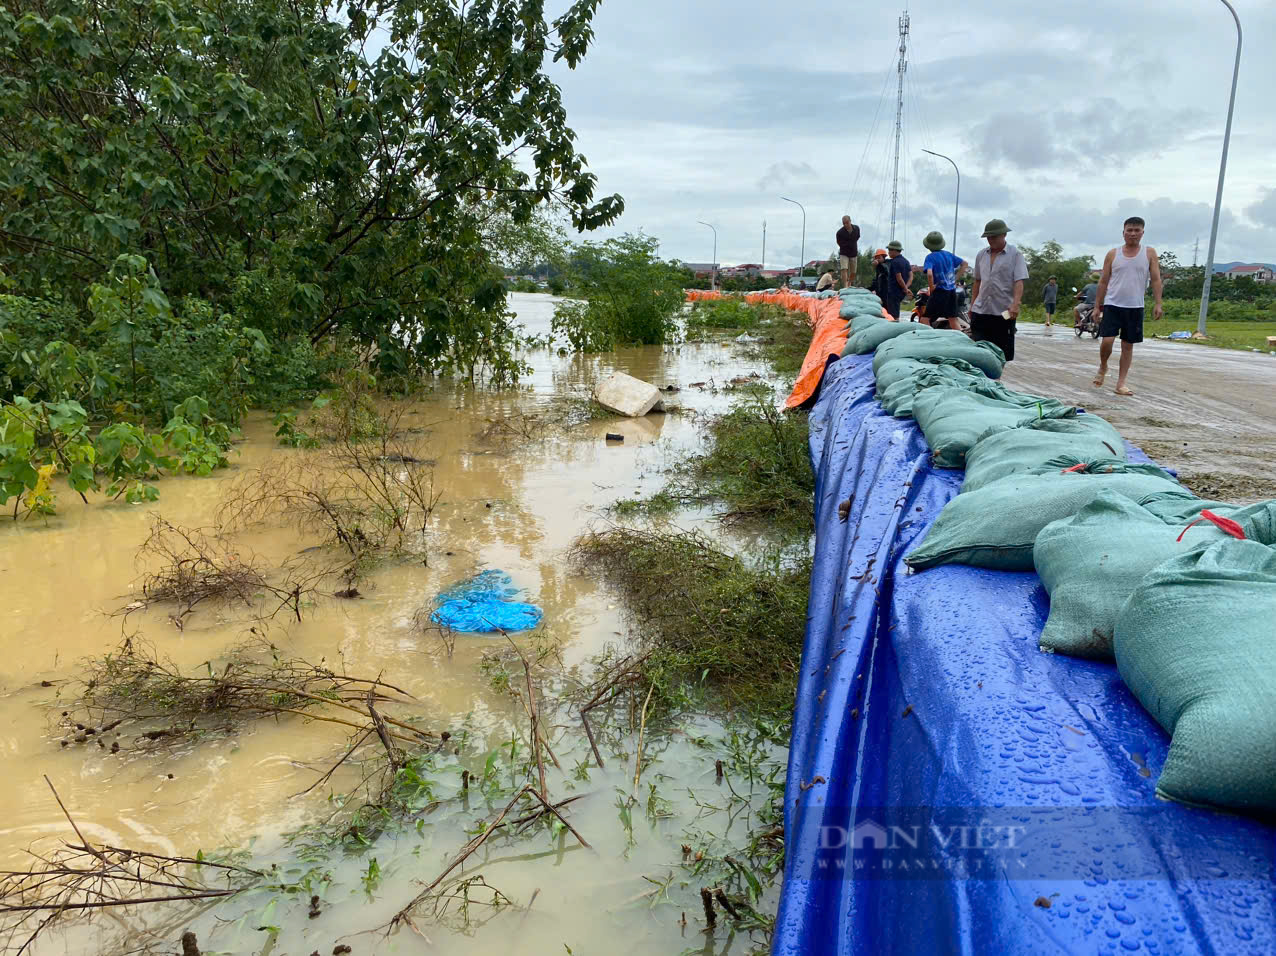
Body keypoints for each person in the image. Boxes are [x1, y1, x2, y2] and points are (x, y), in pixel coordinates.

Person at [1092, 216, 1163, 396]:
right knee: (1107, 341)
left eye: (1136, 230)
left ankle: (1121, 383)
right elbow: (1103, 281)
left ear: (1142, 233)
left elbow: (1155, 279)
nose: (1132, 234)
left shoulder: (1149, 253)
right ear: (1123, 232)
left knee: (1127, 346)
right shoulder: (1113, 254)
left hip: (1135, 307)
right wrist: (1096, 306)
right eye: (1129, 230)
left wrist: (1158, 303)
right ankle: (1103, 366)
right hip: (1112, 304)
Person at [968, 218, 1028, 361]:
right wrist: (972, 305)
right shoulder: (981, 255)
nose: (990, 240)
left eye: (994, 236)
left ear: (1004, 235)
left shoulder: (1015, 255)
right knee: (978, 350)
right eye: (988, 237)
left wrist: (1015, 304)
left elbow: (1019, 281)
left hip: (1003, 312)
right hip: (980, 311)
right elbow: (977, 281)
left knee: (1001, 353)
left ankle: (996, 381)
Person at [920, 231, 968, 331]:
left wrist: (932, 287)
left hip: (939, 291)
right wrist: (955, 279)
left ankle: (931, 339)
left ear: (928, 246)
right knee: (953, 319)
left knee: (924, 319)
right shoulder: (948, 255)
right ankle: (962, 341)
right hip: (951, 292)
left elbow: (929, 274)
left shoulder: (930, 257)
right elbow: (965, 264)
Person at [883, 240, 912, 319]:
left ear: (895, 250)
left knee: (893, 315)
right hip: (901, 292)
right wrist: (906, 287)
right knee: (895, 311)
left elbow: (899, 278)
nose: (888, 252)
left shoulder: (895, 262)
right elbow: (911, 276)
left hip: (894, 291)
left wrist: (905, 288)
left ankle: (894, 327)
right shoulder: (906, 261)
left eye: (889, 250)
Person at [836, 216, 861, 289]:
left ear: (850, 221)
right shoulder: (839, 232)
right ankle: (845, 286)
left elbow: (857, 237)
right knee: (844, 268)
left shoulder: (856, 228)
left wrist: (852, 244)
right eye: (844, 223)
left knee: (853, 272)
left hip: (853, 253)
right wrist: (846, 245)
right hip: (844, 253)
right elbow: (838, 243)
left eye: (847, 223)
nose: (846, 225)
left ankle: (849, 283)